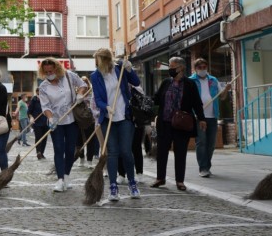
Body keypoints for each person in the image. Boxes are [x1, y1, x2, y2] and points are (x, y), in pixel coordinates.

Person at [91, 48, 141, 201]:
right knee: (112, 153)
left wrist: (129, 69)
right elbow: (98, 97)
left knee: (126, 151)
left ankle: (132, 183)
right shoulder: (95, 76)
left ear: (106, 60)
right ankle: (113, 187)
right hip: (108, 118)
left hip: (124, 116)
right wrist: (105, 107)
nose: (96, 63)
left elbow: (136, 82)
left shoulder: (119, 69)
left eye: (98, 60)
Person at [151, 57, 206, 191]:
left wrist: (202, 119)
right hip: (165, 123)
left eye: (172, 66)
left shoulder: (190, 84)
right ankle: (160, 178)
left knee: (180, 153)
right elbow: (156, 98)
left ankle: (180, 181)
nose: (170, 69)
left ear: (181, 68)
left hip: (181, 124)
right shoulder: (166, 82)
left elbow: (197, 103)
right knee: (162, 152)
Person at [38, 58, 87, 192]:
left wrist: (79, 94)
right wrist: (50, 118)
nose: (49, 73)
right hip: (56, 122)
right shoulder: (43, 87)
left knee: (70, 150)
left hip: (72, 119)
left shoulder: (69, 76)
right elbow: (45, 106)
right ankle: (60, 180)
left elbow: (83, 84)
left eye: (51, 70)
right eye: (46, 72)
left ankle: (66, 176)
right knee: (58, 149)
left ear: (57, 68)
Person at [189, 58, 231, 178]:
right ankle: (203, 168)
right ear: (195, 69)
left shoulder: (213, 80)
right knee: (201, 142)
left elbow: (222, 97)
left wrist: (226, 91)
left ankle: (207, 166)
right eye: (200, 67)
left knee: (211, 144)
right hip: (198, 116)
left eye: (204, 67)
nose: (202, 69)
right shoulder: (190, 81)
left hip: (212, 116)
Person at [76, 76, 96, 168]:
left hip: (89, 120)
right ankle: (81, 158)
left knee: (90, 141)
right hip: (78, 120)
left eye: (85, 83)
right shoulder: (76, 95)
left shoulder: (92, 94)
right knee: (79, 141)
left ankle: (89, 160)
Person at [28, 88, 48, 160]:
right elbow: (29, 111)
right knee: (38, 137)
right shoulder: (34, 100)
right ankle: (38, 152)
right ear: (37, 92)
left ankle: (42, 153)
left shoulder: (46, 100)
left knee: (44, 138)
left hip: (46, 122)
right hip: (37, 123)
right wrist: (31, 117)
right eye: (40, 92)